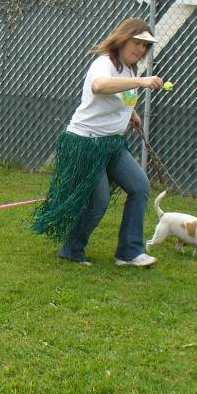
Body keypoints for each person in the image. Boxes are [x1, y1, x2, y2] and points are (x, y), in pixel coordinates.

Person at [32, 18, 163, 267]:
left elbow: (121, 96)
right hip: (85, 143)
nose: (140, 50)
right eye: (137, 43)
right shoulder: (104, 64)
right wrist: (142, 82)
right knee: (98, 200)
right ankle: (72, 250)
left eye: (145, 46)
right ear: (123, 40)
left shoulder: (130, 68)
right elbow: (100, 86)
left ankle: (129, 252)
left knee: (140, 186)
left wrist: (131, 113)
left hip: (112, 143)